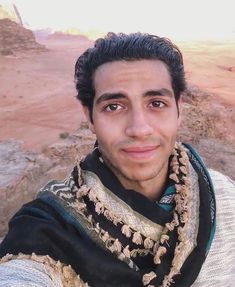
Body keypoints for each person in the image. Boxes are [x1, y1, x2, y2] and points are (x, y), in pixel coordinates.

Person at [0, 32, 234, 287]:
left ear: (178, 109)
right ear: (90, 118)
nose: (139, 129)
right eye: (113, 106)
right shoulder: (49, 227)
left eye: (156, 103)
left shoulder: (223, 197)